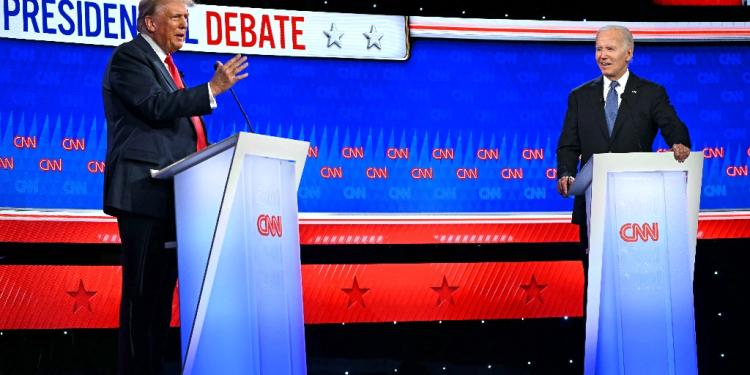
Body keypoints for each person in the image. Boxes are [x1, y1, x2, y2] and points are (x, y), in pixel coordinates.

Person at [101, 0, 248, 373]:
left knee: (160, 301)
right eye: (177, 17)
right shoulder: (129, 57)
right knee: (142, 298)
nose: (185, 24)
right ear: (150, 22)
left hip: (175, 196)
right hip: (143, 193)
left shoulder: (170, 68)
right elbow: (154, 106)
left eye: (187, 17)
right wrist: (212, 88)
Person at [555, 24, 691, 334]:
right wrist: (566, 173)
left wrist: (679, 143)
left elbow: (673, 126)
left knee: (636, 286)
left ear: (628, 53)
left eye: (610, 49)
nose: (602, 56)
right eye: (598, 49)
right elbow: (568, 145)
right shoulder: (580, 96)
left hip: (638, 210)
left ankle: (642, 337)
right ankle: (600, 343)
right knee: (598, 285)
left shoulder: (651, 93)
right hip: (593, 208)